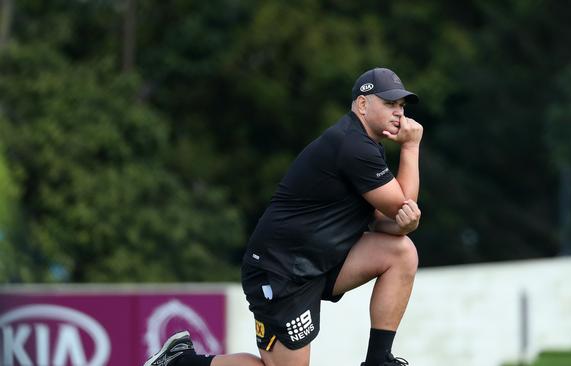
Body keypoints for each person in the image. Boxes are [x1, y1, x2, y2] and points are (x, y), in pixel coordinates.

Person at [144, 67, 422, 366]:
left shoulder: (366, 145)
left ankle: (378, 360)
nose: (399, 114)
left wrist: (403, 223)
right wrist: (410, 146)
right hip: (280, 271)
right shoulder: (353, 145)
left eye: (402, 106)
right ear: (363, 105)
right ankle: (179, 363)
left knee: (400, 252)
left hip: (318, 261)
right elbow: (401, 206)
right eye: (390, 104)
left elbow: (389, 219)